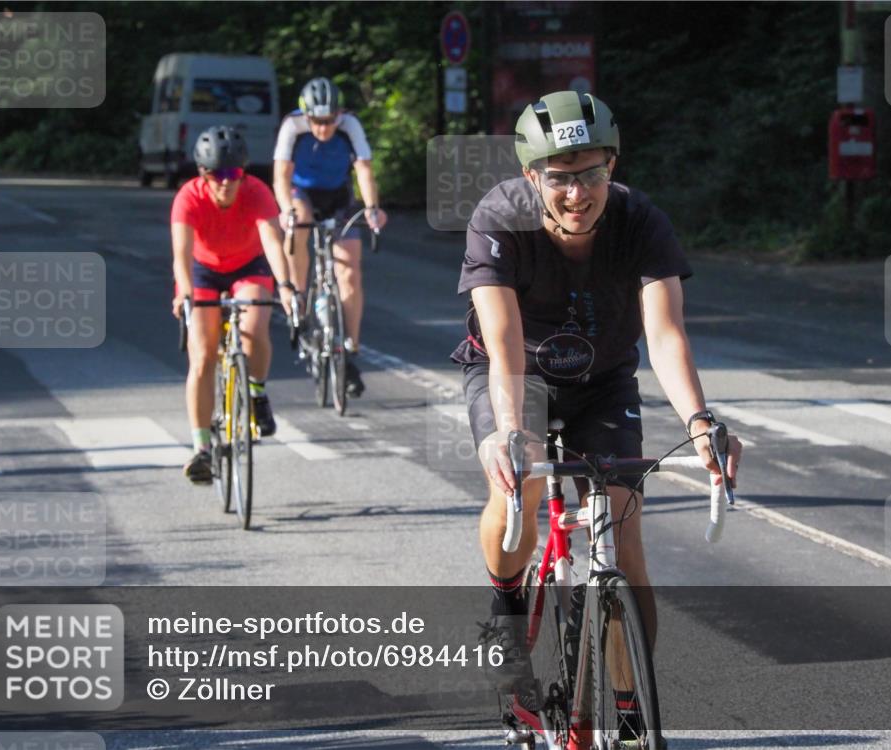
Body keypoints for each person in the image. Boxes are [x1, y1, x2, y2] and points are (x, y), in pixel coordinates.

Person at [450, 90, 742, 741]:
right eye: (560, 177)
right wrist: (509, 430)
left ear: (613, 164)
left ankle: (631, 709)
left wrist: (699, 420)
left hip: (603, 379)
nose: (577, 193)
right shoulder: (499, 218)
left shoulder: (640, 221)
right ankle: (506, 604)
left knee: (622, 530)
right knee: (518, 484)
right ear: (534, 177)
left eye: (591, 174)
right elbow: (500, 344)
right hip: (515, 376)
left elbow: (664, 334)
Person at [172, 125, 296, 484]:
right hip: (204, 270)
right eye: (217, 174)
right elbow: (180, 254)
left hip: (248, 266)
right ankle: (202, 449)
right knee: (203, 356)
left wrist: (286, 286)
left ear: (243, 172)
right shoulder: (188, 197)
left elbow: (273, 243)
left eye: (234, 174)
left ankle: (256, 392)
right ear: (202, 173)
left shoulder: (257, 192)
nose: (226, 183)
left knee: (254, 327)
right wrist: (184, 291)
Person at [273, 77, 387, 397]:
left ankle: (350, 347)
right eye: (318, 122)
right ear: (307, 116)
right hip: (302, 192)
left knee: (349, 268)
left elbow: (363, 169)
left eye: (330, 121)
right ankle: (297, 297)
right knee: (299, 221)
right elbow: (281, 175)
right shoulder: (292, 126)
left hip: (338, 195)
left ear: (339, 114)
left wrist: (372, 208)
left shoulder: (349, 125)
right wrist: (285, 209)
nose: (324, 129)